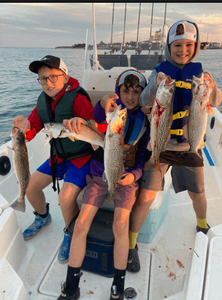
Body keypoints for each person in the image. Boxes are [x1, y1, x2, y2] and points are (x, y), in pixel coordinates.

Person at [126, 20, 222, 273]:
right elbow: (146, 102)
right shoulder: (158, 73)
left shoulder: (200, 74)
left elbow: (214, 101)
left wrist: (212, 86)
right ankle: (132, 244)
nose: (183, 50)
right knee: (146, 196)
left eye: (189, 45)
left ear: (196, 46)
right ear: (169, 47)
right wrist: (156, 84)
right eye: (177, 45)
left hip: (189, 145)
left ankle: (202, 224)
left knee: (198, 192)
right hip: (159, 144)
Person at [57, 69, 150, 300]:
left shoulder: (144, 121)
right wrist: (102, 104)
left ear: (142, 94)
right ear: (118, 92)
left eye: (136, 92)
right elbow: (94, 119)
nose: (130, 97)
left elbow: (141, 159)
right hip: (98, 177)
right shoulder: (110, 115)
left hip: (125, 180)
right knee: (80, 226)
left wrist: (134, 176)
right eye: (125, 91)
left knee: (120, 226)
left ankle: (117, 287)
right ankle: (71, 286)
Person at [13, 55, 95, 263]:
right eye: (42, 79)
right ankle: (42, 216)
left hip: (81, 158)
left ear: (65, 78)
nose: (48, 83)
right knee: (30, 186)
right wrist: (23, 128)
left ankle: (70, 231)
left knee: (65, 198)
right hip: (57, 156)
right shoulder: (43, 101)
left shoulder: (78, 98)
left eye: (53, 77)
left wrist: (84, 122)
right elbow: (32, 128)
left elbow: (95, 124)